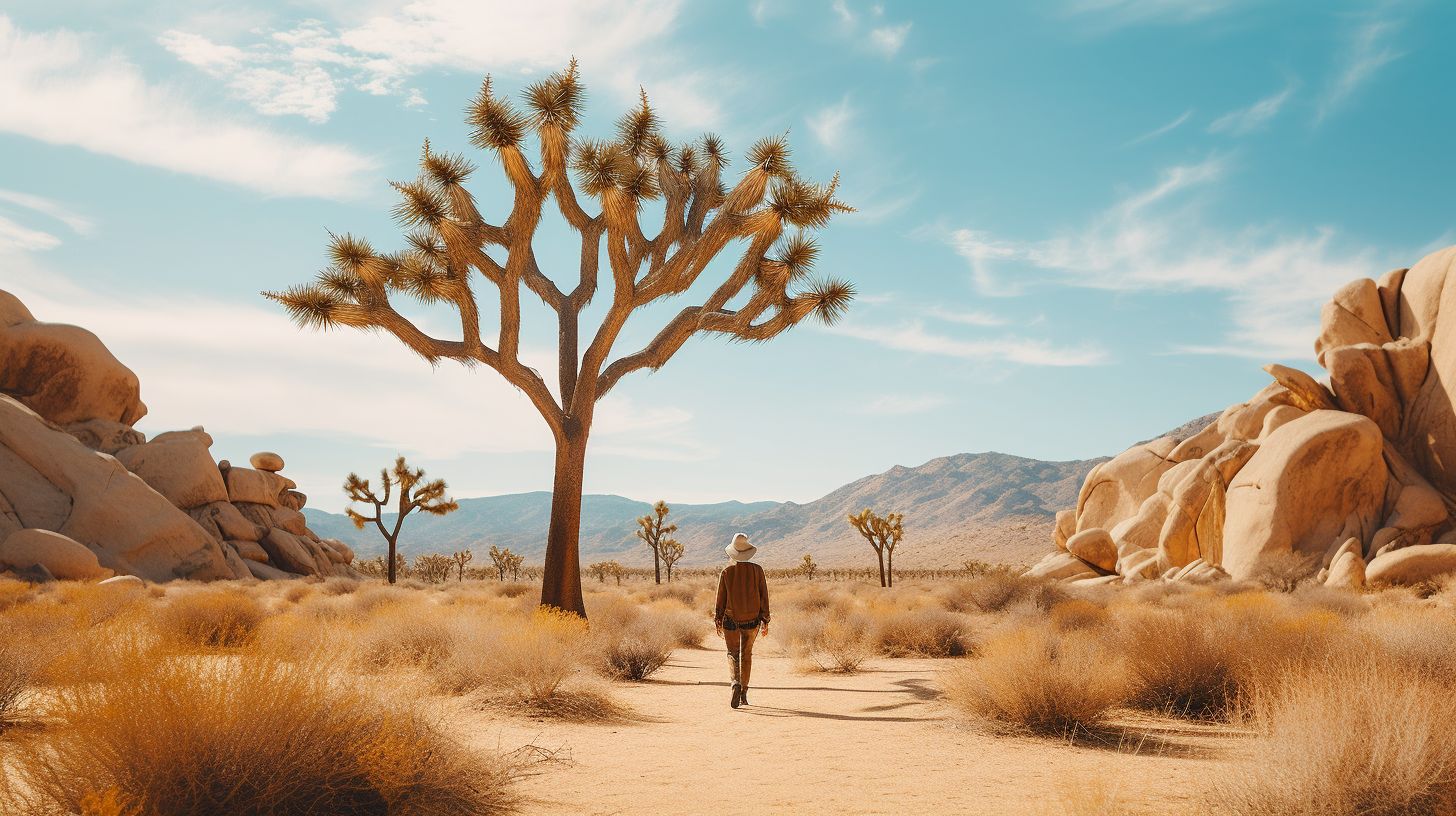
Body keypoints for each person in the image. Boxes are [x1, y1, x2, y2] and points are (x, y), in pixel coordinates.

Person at [714, 532, 770, 709]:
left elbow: (720, 598)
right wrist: (765, 619)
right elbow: (764, 595)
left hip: (731, 619)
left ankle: (735, 682)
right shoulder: (757, 570)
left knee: (732, 653)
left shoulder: (727, 572)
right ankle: (744, 694)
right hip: (752, 620)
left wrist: (718, 620)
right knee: (746, 655)